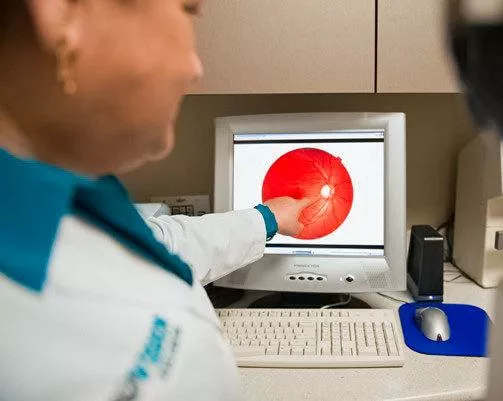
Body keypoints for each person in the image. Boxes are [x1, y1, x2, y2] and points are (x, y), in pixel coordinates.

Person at [0, 1, 309, 400]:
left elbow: (164, 243)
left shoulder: (58, 206)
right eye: (187, 9)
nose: (195, 69)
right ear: (60, 11)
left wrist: (267, 218)